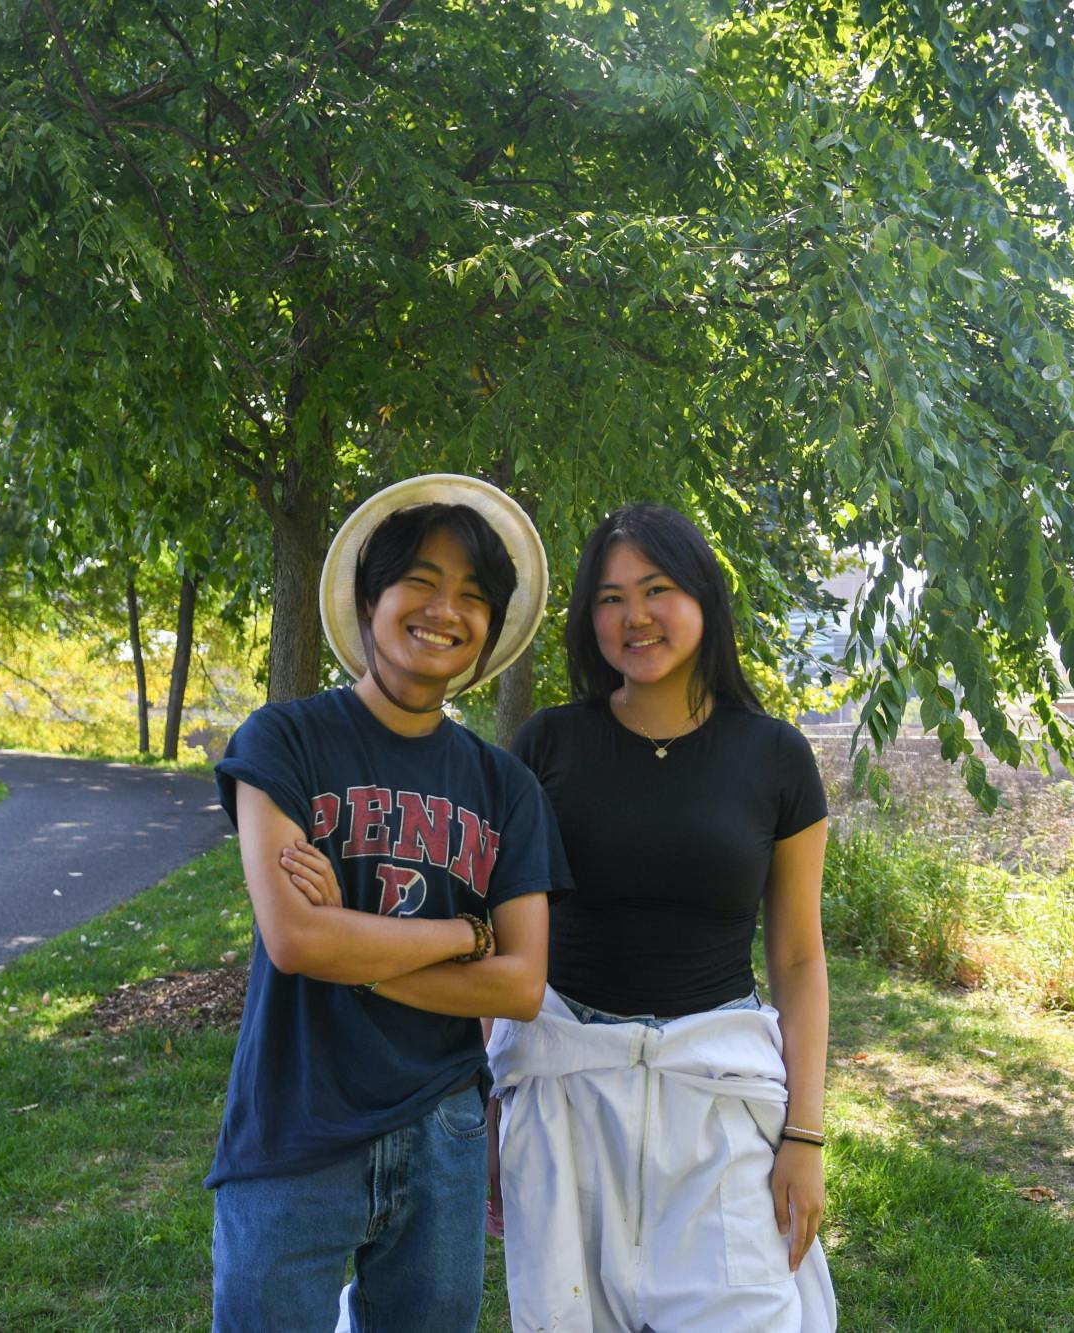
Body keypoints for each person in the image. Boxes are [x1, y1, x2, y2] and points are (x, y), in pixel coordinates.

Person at [207, 474, 562, 1333]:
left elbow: (520, 984)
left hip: (441, 1129)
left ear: (487, 634)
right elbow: (295, 940)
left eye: (474, 596)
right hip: (295, 1120)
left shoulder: (504, 786)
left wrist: (353, 945)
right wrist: (464, 932)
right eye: (422, 581)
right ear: (370, 600)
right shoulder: (282, 739)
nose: (447, 609)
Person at [488, 502, 839, 1331]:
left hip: (716, 1092)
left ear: (704, 599)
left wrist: (807, 1135)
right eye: (609, 598)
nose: (633, 616)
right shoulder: (546, 747)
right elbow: (500, 935)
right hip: (563, 1086)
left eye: (656, 588)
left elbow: (797, 957)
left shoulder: (776, 756)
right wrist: (485, 1105)